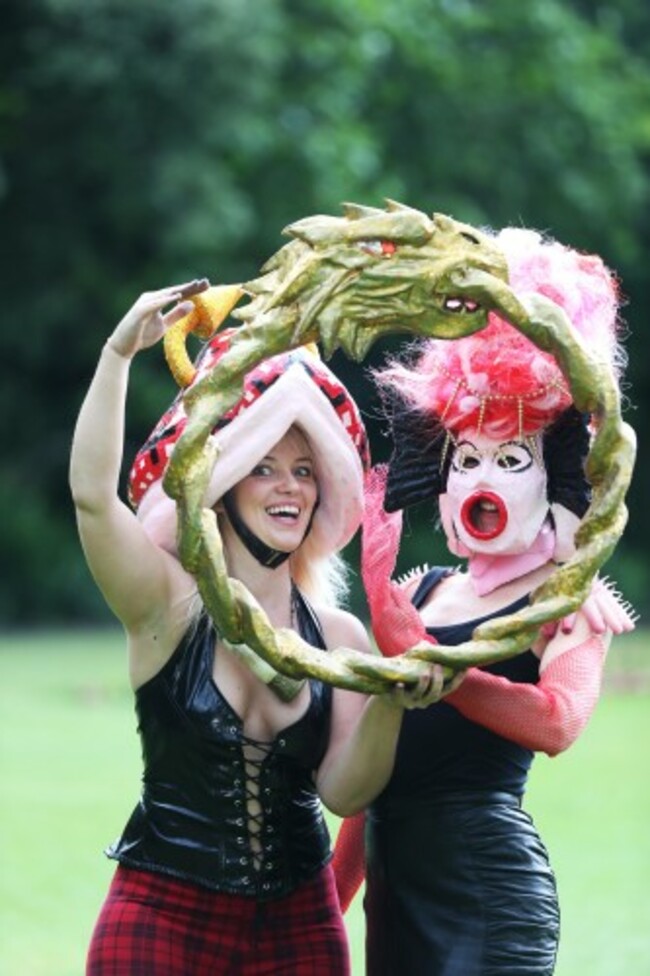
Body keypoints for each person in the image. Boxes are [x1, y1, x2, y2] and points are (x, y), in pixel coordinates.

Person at [69, 279, 453, 976]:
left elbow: (345, 792)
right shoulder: (166, 603)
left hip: (299, 923)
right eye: (266, 468)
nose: (289, 487)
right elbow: (94, 501)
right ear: (227, 482)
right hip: (162, 915)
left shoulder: (339, 637)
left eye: (304, 471)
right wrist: (118, 352)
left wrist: (393, 704)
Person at [328, 228, 636, 975]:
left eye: (509, 460)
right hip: (395, 900)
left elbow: (558, 724)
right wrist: (323, 911)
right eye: (465, 458)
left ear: (554, 475)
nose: (479, 478)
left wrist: (450, 675)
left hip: (489, 894)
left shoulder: (567, 600)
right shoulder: (419, 593)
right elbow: (373, 778)